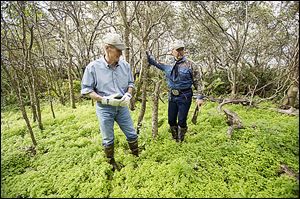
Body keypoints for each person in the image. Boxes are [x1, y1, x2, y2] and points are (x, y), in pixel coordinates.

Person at [81, 33, 138, 171]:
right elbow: (87, 90)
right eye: (118, 50)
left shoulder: (125, 66)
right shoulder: (93, 67)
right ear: (107, 48)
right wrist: (104, 99)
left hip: (122, 106)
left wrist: (128, 95)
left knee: (131, 133)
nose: (121, 53)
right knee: (108, 138)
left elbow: (131, 83)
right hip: (105, 107)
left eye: (121, 50)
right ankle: (111, 163)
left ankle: (136, 156)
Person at [146, 40, 205, 142]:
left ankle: (180, 140)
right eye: (177, 50)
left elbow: (198, 81)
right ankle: (175, 138)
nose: (180, 52)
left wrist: (200, 97)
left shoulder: (191, 64)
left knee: (182, 121)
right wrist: (146, 53)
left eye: (182, 50)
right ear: (172, 51)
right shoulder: (167, 64)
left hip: (185, 95)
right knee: (171, 120)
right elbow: (153, 62)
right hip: (172, 96)